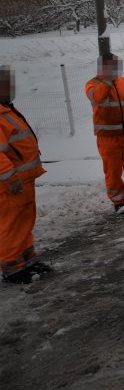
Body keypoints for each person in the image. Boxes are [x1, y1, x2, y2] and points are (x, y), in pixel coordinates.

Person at [0, 65, 50, 284]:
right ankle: (12, 267)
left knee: (25, 219)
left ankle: (27, 259)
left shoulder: (7, 109)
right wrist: (8, 176)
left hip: (21, 179)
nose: (11, 87)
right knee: (11, 222)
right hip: (10, 182)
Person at [85, 55, 124, 214]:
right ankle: (118, 202)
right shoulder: (92, 85)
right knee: (112, 171)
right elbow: (98, 98)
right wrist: (106, 81)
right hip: (108, 138)